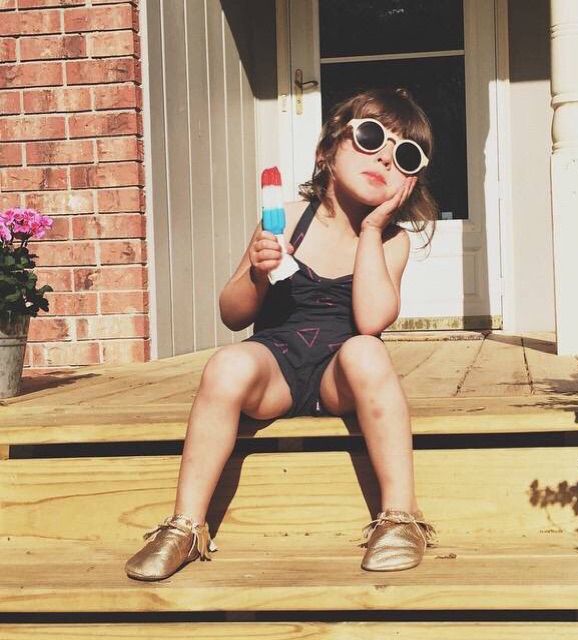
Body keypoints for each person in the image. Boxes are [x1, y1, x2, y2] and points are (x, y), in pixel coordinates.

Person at [125, 87, 439, 581]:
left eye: (405, 155)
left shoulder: (391, 241)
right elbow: (232, 314)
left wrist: (372, 231)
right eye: (370, 136)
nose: (384, 156)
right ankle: (185, 526)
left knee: (367, 351)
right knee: (227, 363)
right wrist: (256, 272)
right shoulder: (288, 219)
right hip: (277, 370)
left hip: (339, 378)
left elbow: (371, 321)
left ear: (410, 182)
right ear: (326, 151)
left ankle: (401, 517)